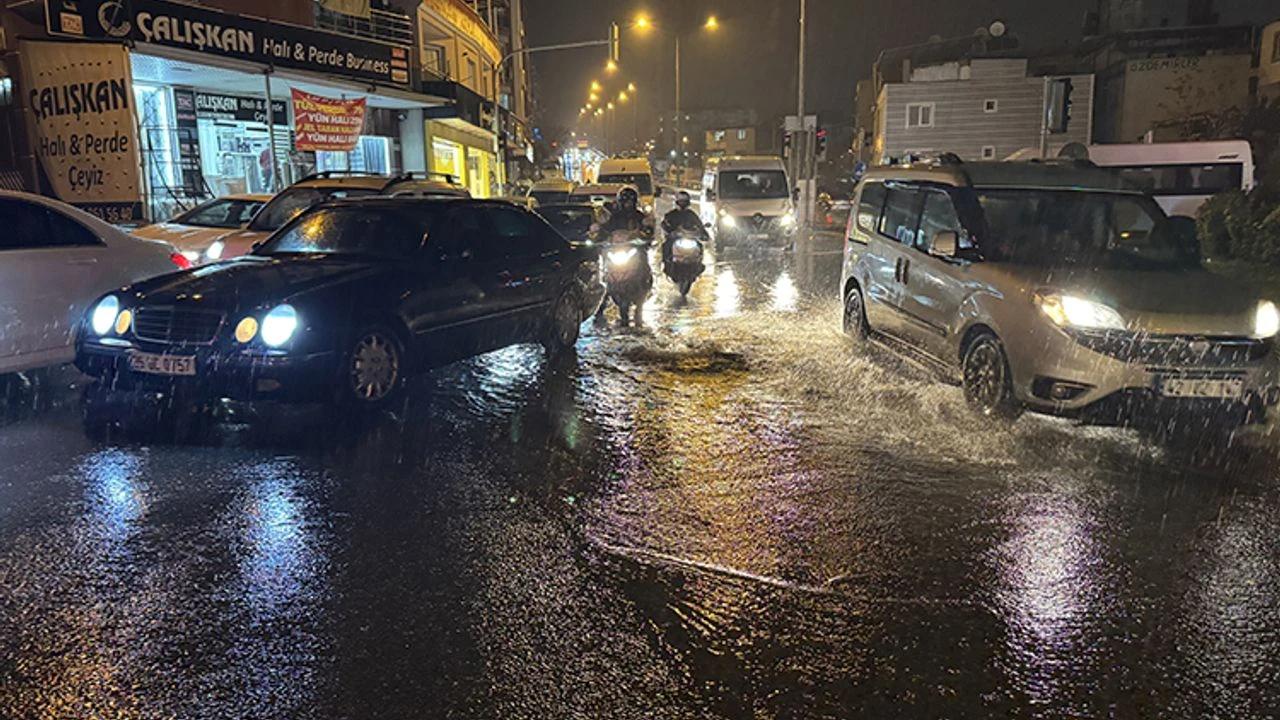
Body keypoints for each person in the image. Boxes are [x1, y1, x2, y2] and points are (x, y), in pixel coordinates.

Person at [660, 190, 706, 266]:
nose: (683, 203)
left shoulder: (691, 214)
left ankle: (699, 264)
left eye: (685, 201)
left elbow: (699, 224)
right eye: (681, 201)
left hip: (690, 238)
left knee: (700, 245)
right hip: (675, 239)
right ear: (677, 202)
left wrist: (703, 233)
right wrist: (669, 231)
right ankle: (667, 264)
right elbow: (664, 224)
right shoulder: (671, 214)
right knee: (666, 245)